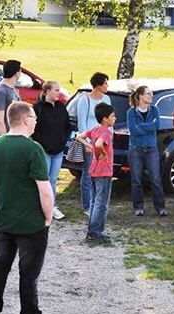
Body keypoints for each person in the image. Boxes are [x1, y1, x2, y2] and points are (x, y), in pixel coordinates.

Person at [0, 101, 59, 314]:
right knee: (28, 275)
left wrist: (1, 203)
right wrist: (48, 217)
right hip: (30, 223)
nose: (36, 121)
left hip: (5, 220)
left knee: (0, 267)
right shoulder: (33, 149)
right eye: (34, 117)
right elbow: (45, 190)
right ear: (26, 119)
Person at [76, 102, 116, 244]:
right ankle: (95, 232)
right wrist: (102, 152)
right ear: (105, 119)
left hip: (93, 169)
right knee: (101, 203)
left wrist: (90, 147)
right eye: (112, 116)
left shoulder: (95, 129)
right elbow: (99, 143)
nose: (114, 118)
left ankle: (92, 231)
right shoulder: (106, 132)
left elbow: (79, 136)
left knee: (94, 201)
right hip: (104, 171)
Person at [32, 80, 72, 221]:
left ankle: (52, 205)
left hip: (58, 150)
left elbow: (67, 126)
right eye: (56, 90)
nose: (58, 93)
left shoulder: (61, 107)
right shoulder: (38, 108)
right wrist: (42, 144)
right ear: (47, 91)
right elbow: (34, 130)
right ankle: (39, 206)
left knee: (53, 180)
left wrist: (63, 141)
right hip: (44, 150)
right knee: (43, 179)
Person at [126, 85, 166, 217]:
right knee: (136, 179)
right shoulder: (131, 113)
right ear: (141, 96)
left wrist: (142, 126)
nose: (151, 96)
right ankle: (138, 207)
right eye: (148, 94)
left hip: (151, 148)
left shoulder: (155, 110)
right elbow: (133, 130)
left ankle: (160, 207)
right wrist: (147, 127)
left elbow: (156, 125)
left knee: (155, 178)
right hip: (135, 149)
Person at [76, 72, 110, 216]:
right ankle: (87, 205)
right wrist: (87, 144)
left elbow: (109, 119)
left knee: (100, 174)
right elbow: (82, 122)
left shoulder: (107, 99)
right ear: (98, 85)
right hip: (91, 141)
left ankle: (98, 203)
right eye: (106, 83)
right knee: (88, 173)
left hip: (103, 140)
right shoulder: (85, 100)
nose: (107, 86)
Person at [0, 59, 22, 140]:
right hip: (4, 140)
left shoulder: (13, 90)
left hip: (15, 136)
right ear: (17, 73)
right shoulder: (0, 92)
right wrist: (6, 141)